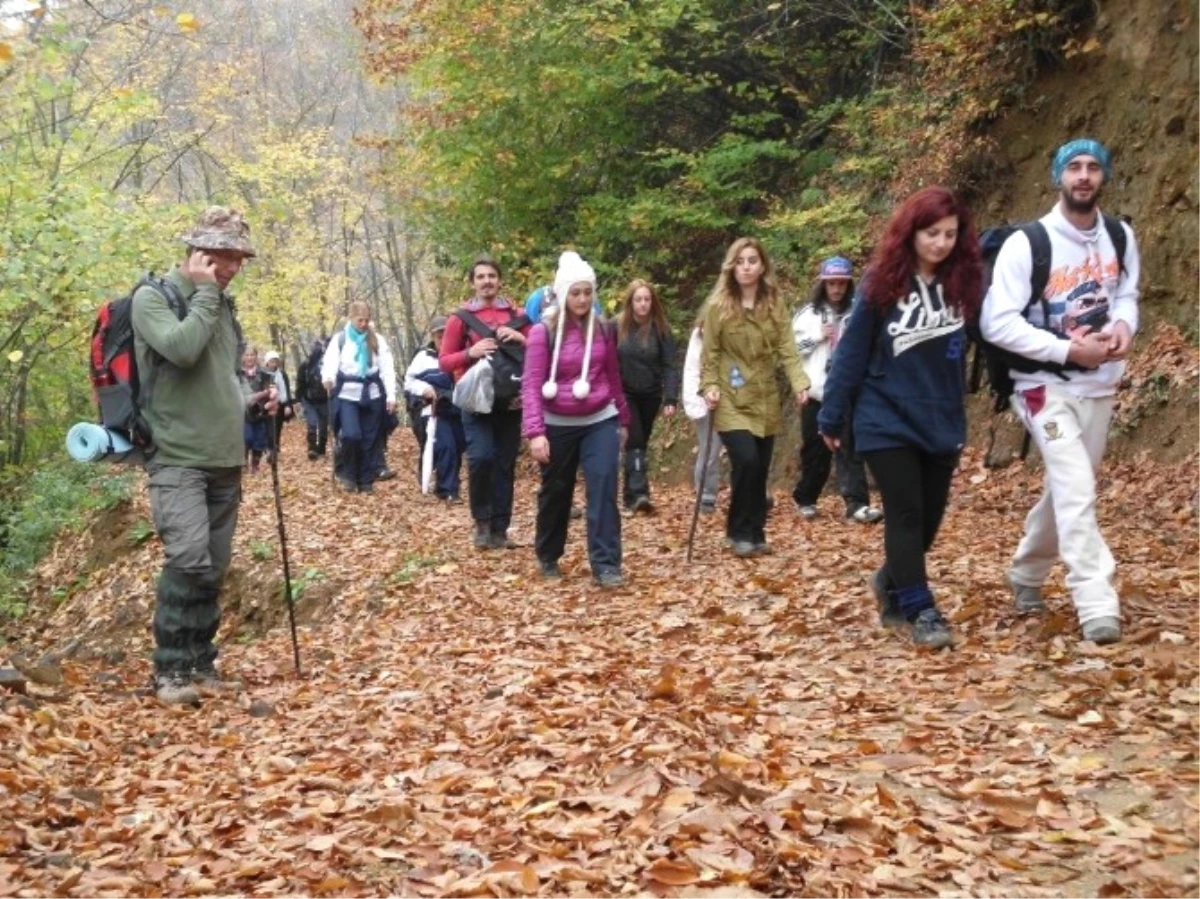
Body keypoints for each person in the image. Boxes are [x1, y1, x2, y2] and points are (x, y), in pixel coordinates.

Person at [980, 139, 1139, 645]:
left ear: (1104, 177)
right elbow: (996, 324)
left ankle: (1026, 573)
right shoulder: (1027, 244)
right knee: (1076, 485)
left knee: (1068, 489)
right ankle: (1096, 600)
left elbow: (1128, 296)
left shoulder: (1120, 235)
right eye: (1074, 167)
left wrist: (1122, 329)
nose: (1084, 176)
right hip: (1042, 387)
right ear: (1058, 177)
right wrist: (1067, 351)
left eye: (1093, 167)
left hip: (1101, 386)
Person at [819, 186, 982, 649]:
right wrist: (832, 416)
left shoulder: (965, 284)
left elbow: (993, 336)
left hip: (941, 418)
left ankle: (891, 583)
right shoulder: (880, 283)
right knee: (906, 515)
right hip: (884, 417)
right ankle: (922, 609)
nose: (941, 243)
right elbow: (850, 355)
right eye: (932, 233)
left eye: (950, 234)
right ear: (911, 233)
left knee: (928, 521)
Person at [131, 206, 263, 704]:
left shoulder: (222, 305)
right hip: (177, 456)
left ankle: (200, 661)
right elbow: (181, 350)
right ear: (198, 253)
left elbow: (218, 376)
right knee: (187, 558)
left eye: (238, 259)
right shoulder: (154, 298)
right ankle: (170, 671)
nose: (233, 268)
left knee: (213, 566)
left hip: (224, 457)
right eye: (225, 257)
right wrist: (206, 293)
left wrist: (253, 401)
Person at [522, 252, 630, 587]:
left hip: (599, 419)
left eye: (587, 292)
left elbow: (613, 375)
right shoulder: (543, 332)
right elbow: (531, 383)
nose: (582, 299)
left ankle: (606, 564)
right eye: (575, 292)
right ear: (563, 293)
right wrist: (535, 431)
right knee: (557, 491)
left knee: (603, 487)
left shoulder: (604, 329)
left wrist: (622, 418)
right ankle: (549, 554)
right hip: (557, 423)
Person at [700, 237, 809, 557]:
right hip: (731, 398)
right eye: (740, 261)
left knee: (759, 468)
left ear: (762, 267)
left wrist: (800, 382)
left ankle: (750, 531)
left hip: (764, 397)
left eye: (752, 261)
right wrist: (709, 386)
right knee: (745, 460)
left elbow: (788, 348)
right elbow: (710, 354)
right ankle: (740, 530)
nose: (746, 267)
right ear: (731, 267)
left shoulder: (774, 304)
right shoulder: (718, 307)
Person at [439, 257, 530, 550]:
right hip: (475, 401)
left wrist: (521, 338)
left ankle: (500, 529)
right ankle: (481, 522)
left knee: (504, 464)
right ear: (472, 282)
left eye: (492, 276)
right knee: (480, 458)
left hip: (510, 400)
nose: (487, 281)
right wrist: (470, 353)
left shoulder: (519, 315)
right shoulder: (460, 319)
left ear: (499, 280)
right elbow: (444, 361)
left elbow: (541, 352)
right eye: (481, 277)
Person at [791, 257, 883, 524]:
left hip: (848, 392)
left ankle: (857, 504)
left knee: (849, 447)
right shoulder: (807, 314)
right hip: (815, 391)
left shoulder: (859, 311)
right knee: (815, 450)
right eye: (832, 283)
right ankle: (806, 497)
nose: (837, 289)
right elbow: (789, 349)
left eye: (842, 283)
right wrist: (818, 336)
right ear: (823, 284)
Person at [615, 279, 678, 513]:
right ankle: (640, 492)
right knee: (635, 440)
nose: (643, 304)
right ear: (630, 302)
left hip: (650, 394)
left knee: (639, 443)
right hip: (624, 392)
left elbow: (670, 365)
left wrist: (671, 398)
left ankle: (629, 494)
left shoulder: (661, 329)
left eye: (647, 299)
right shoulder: (617, 327)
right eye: (638, 300)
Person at [321, 301, 397, 494]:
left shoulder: (377, 340)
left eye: (366, 320)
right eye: (359, 320)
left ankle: (365, 480)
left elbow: (387, 369)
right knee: (351, 435)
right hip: (348, 394)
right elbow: (330, 362)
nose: (363, 324)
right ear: (351, 318)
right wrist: (328, 378)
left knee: (370, 439)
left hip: (373, 394)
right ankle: (348, 473)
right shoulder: (341, 339)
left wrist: (391, 395)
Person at [404, 314, 465, 502]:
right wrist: (425, 389)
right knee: (446, 445)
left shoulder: (462, 355)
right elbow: (409, 382)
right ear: (433, 337)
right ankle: (448, 490)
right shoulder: (423, 358)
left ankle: (441, 479)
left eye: (446, 335)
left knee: (457, 445)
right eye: (439, 335)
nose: (442, 339)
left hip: (458, 410)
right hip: (433, 411)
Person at [681, 310, 721, 514]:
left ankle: (753, 491)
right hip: (705, 400)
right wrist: (698, 399)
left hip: (734, 398)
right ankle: (705, 493)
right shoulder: (699, 337)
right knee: (710, 450)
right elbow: (692, 371)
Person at [239, 347, 276, 473]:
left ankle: (255, 465)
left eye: (252, 355)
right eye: (247, 355)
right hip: (243, 413)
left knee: (259, 440)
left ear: (256, 356)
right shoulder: (237, 374)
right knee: (246, 437)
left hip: (261, 412)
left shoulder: (265, 374)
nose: (249, 358)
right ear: (243, 357)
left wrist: (268, 398)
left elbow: (271, 390)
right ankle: (243, 463)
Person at [294, 338, 330, 460]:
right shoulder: (305, 366)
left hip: (325, 400)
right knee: (312, 423)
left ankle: (321, 449)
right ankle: (312, 448)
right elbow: (300, 383)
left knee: (323, 426)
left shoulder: (327, 364)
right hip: (309, 400)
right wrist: (298, 400)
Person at [263, 351, 293, 454]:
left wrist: (288, 405)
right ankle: (269, 447)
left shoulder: (282, 374)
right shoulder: (263, 374)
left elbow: (286, 389)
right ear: (267, 362)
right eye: (272, 361)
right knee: (268, 427)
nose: (274, 364)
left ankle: (275, 445)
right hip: (267, 405)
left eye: (276, 361)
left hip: (280, 404)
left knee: (278, 426)